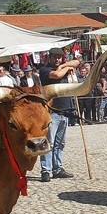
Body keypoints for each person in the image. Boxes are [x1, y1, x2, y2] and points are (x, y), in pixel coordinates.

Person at [39, 47, 80, 182]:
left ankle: (57, 168)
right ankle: (46, 170)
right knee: (48, 141)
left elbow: (77, 62)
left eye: (59, 57)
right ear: (49, 58)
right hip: (51, 110)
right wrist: (65, 69)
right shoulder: (45, 70)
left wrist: (63, 65)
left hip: (65, 109)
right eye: (55, 57)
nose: (57, 59)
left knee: (60, 143)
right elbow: (56, 76)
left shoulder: (62, 66)